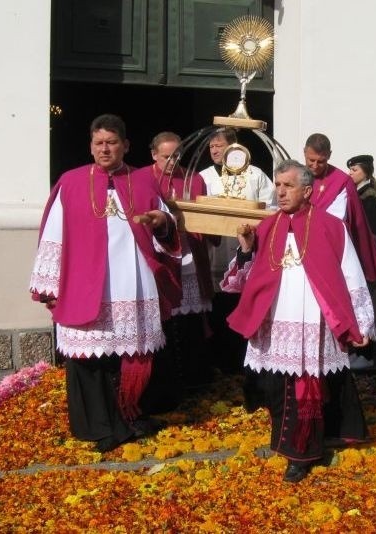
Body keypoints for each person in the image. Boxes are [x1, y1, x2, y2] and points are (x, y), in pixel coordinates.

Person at [29, 114, 181, 453]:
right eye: (98, 143)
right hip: (86, 285)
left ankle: (130, 415)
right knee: (88, 356)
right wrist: (49, 287)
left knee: (129, 356)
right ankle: (97, 426)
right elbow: (53, 236)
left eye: (111, 142)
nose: (104, 148)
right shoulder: (70, 182)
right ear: (90, 146)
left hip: (132, 284)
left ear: (125, 145)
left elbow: (166, 227)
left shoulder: (143, 182)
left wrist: (161, 223)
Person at [221, 160, 375, 483]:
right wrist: (247, 251)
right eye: (278, 185)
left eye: (287, 186)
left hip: (314, 320)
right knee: (279, 388)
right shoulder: (265, 227)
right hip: (277, 321)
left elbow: (352, 275)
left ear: (307, 190)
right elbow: (243, 281)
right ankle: (287, 443)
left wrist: (362, 322)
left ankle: (301, 454)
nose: (280, 191)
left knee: (308, 389)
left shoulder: (331, 226)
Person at [132, 132, 215, 411]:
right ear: (154, 154)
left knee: (192, 322)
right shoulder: (141, 178)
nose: (172, 161)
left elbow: (206, 215)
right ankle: (167, 383)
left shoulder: (195, 178)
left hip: (191, 255)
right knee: (167, 321)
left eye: (177, 155)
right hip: (162, 258)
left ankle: (196, 379)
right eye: (166, 156)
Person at [200, 127, 275, 374]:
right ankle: (220, 362)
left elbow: (271, 210)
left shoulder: (256, 176)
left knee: (246, 306)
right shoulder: (204, 177)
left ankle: (247, 361)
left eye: (219, 145)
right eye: (211, 147)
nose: (214, 150)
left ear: (235, 147)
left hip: (249, 256)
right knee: (218, 310)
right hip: (215, 255)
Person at [303, 133, 376, 283]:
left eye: (321, 161)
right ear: (304, 152)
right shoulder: (295, 176)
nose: (315, 166)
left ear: (329, 155)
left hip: (328, 252)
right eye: (311, 160)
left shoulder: (341, 181)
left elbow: (338, 221)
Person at [347, 154, 376, 369]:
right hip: (355, 260)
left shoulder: (369, 198)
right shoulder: (356, 194)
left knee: (365, 310)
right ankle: (356, 351)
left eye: (355, 170)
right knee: (354, 308)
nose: (351, 173)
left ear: (366, 172)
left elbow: (371, 235)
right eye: (350, 170)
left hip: (363, 262)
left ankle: (366, 355)